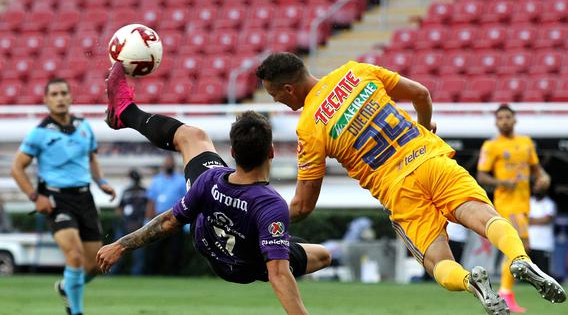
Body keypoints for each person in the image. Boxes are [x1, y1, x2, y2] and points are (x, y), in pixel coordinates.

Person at [255, 52, 566, 314]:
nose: (278, 101)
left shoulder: (310, 127)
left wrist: (263, 219)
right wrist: (424, 127)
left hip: (398, 190)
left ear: (288, 89)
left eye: (275, 95)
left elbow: (304, 205)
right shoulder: (356, 71)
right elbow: (421, 94)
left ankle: (472, 282)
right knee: (483, 215)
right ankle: (519, 258)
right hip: (428, 158)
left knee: (437, 262)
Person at [97, 62, 331, 314]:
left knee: (191, 136)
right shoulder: (270, 205)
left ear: (231, 153)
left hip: (206, 241)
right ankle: (268, 240)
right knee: (323, 255)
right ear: (272, 152)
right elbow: (278, 274)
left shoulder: (210, 180)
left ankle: (126, 112)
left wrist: (120, 245)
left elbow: (167, 222)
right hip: (246, 267)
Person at [10, 78, 116, 315]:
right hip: (57, 201)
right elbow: (17, 168)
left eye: (63, 93)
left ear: (70, 97)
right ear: (46, 100)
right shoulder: (38, 134)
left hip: (85, 198)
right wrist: (35, 197)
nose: (59, 98)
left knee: (95, 265)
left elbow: (91, 158)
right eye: (54, 94)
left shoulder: (84, 126)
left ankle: (66, 286)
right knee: (74, 256)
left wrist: (102, 182)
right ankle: (76, 312)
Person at [477, 104, 552, 313]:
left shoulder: (526, 143)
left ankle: (505, 292)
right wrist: (503, 183)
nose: (504, 121)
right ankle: (505, 293)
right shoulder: (491, 146)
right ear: (496, 122)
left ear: (514, 119)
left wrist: (543, 178)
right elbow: (482, 175)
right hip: (506, 204)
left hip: (523, 204)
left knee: (518, 248)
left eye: (507, 117)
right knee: (519, 246)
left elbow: (537, 169)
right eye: (500, 118)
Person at [144, 153, 187, 275]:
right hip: (159, 219)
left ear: (174, 164)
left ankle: (175, 273)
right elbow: (151, 201)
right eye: (167, 162)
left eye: (170, 162)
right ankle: (153, 273)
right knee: (156, 248)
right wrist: (147, 219)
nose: (168, 164)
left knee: (176, 249)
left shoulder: (180, 180)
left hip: (176, 219)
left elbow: (186, 198)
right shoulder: (156, 180)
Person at [112, 168, 148, 275]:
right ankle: (113, 273)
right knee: (117, 249)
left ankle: (136, 274)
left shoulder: (144, 191)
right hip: (126, 224)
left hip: (139, 226)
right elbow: (119, 208)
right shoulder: (127, 191)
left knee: (138, 254)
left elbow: (148, 208)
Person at [528, 191, 556, 276]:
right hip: (529, 243)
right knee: (528, 274)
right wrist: (540, 220)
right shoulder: (529, 201)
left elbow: (547, 219)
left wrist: (531, 220)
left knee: (543, 274)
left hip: (544, 244)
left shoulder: (549, 203)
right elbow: (523, 218)